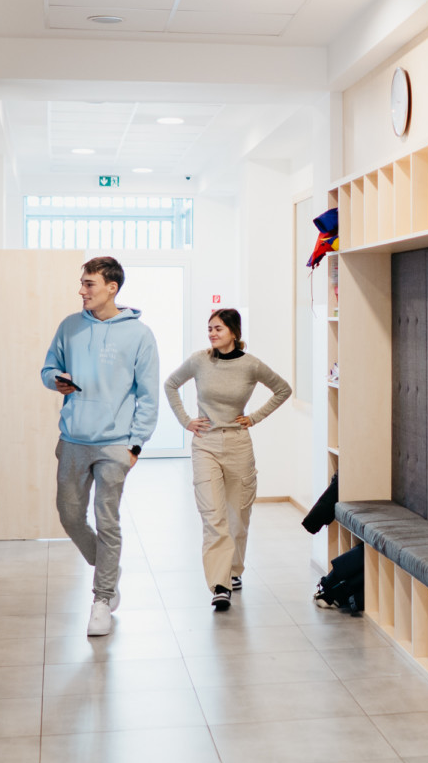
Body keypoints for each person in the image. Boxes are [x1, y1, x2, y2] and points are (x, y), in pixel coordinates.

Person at [41, 256, 159, 636]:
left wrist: (135, 446)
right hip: (73, 439)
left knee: (107, 520)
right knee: (70, 515)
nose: (82, 290)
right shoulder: (70, 326)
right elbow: (47, 368)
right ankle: (108, 566)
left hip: (115, 445)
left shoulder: (139, 335)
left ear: (112, 287)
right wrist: (55, 380)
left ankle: (102, 598)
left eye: (89, 283)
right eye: (82, 282)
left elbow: (148, 395)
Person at [164, 309, 291, 611]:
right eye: (209, 328)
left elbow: (283, 389)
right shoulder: (199, 360)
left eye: (218, 328)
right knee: (213, 516)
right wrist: (186, 420)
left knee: (238, 516)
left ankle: (234, 570)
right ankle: (220, 584)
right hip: (205, 443)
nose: (212, 333)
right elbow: (170, 384)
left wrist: (254, 417)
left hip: (238, 445)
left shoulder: (251, 365)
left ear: (234, 332)